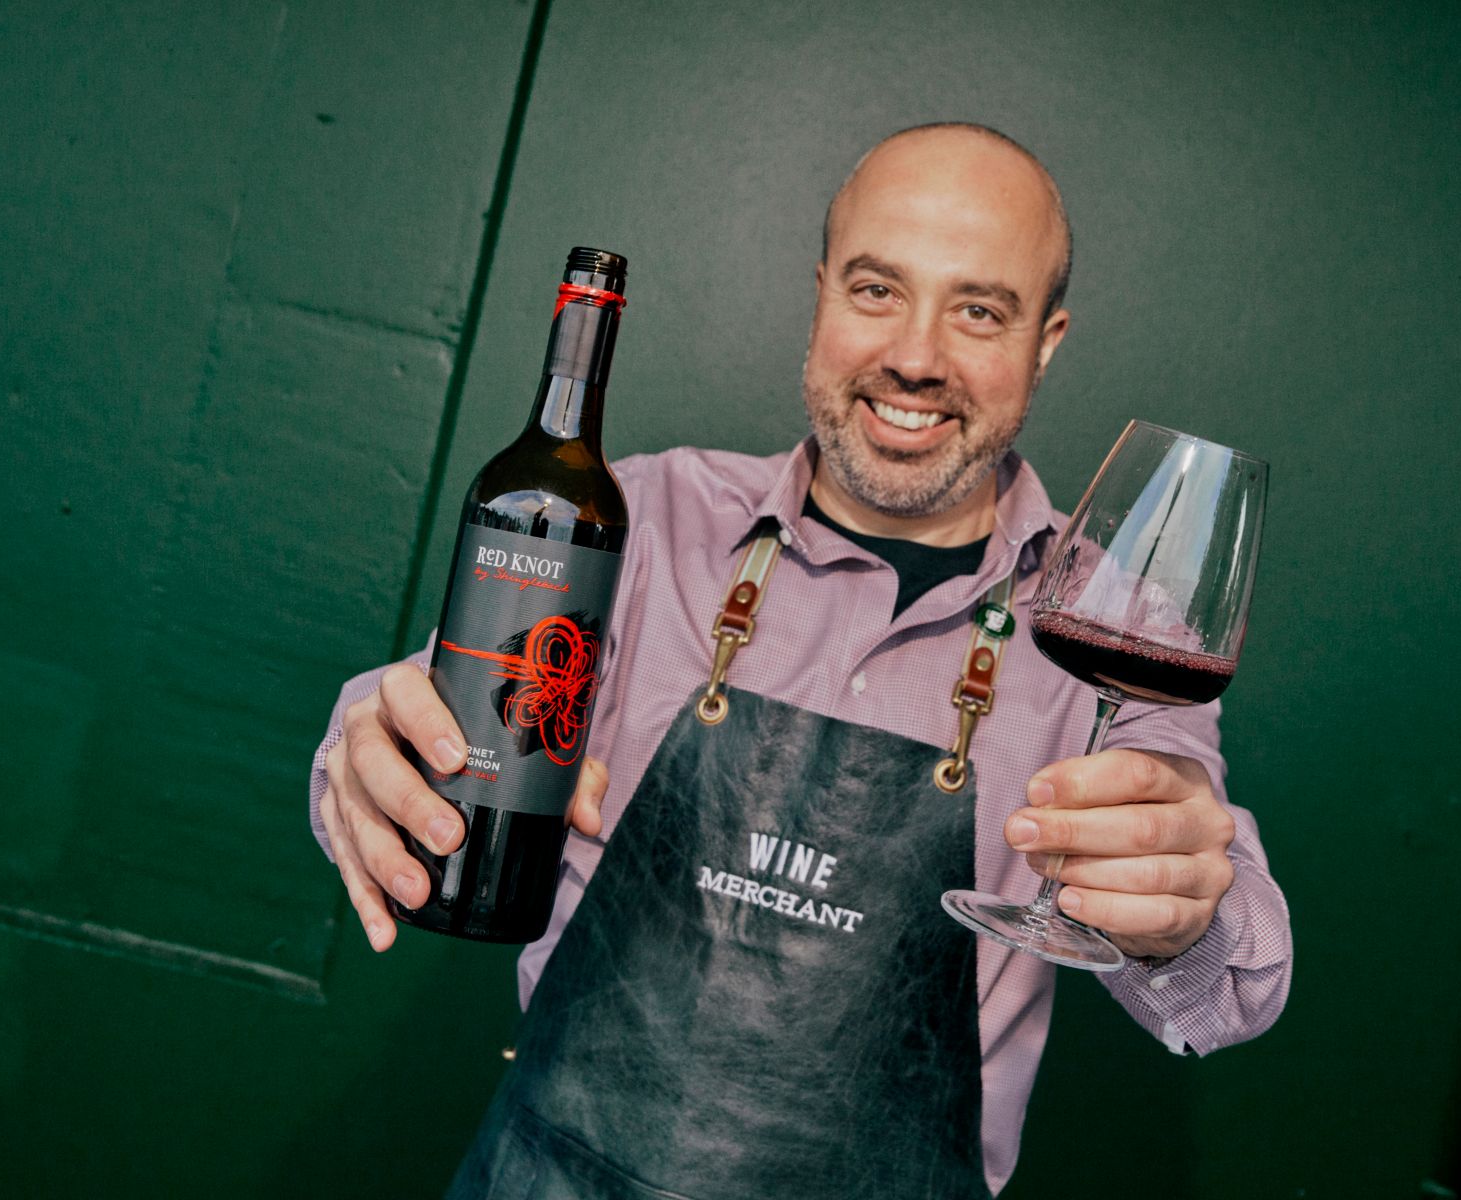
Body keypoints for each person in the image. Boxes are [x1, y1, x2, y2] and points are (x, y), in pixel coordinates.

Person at [310, 123, 1292, 1198]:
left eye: (978, 310)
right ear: (821, 293)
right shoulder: (646, 521)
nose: (916, 354)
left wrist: (1185, 904)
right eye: (877, 290)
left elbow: (1229, 989)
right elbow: (438, 712)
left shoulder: (1116, 627)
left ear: (1047, 341)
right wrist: (374, 742)